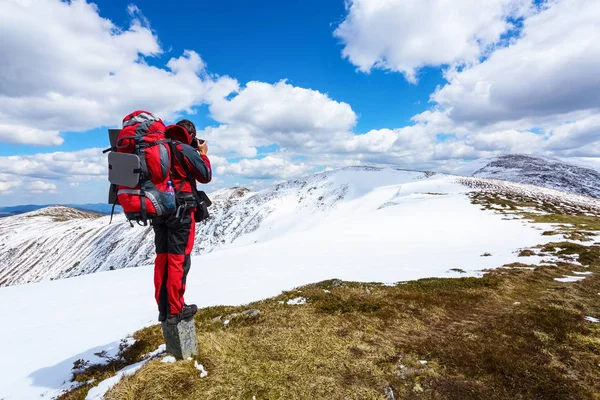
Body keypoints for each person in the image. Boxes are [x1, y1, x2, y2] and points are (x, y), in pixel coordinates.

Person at [153, 119, 211, 324]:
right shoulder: (184, 149)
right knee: (179, 260)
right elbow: (205, 176)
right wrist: (202, 154)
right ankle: (176, 310)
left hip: (159, 210)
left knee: (163, 259)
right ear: (193, 135)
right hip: (182, 212)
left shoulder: (158, 148)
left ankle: (164, 309)